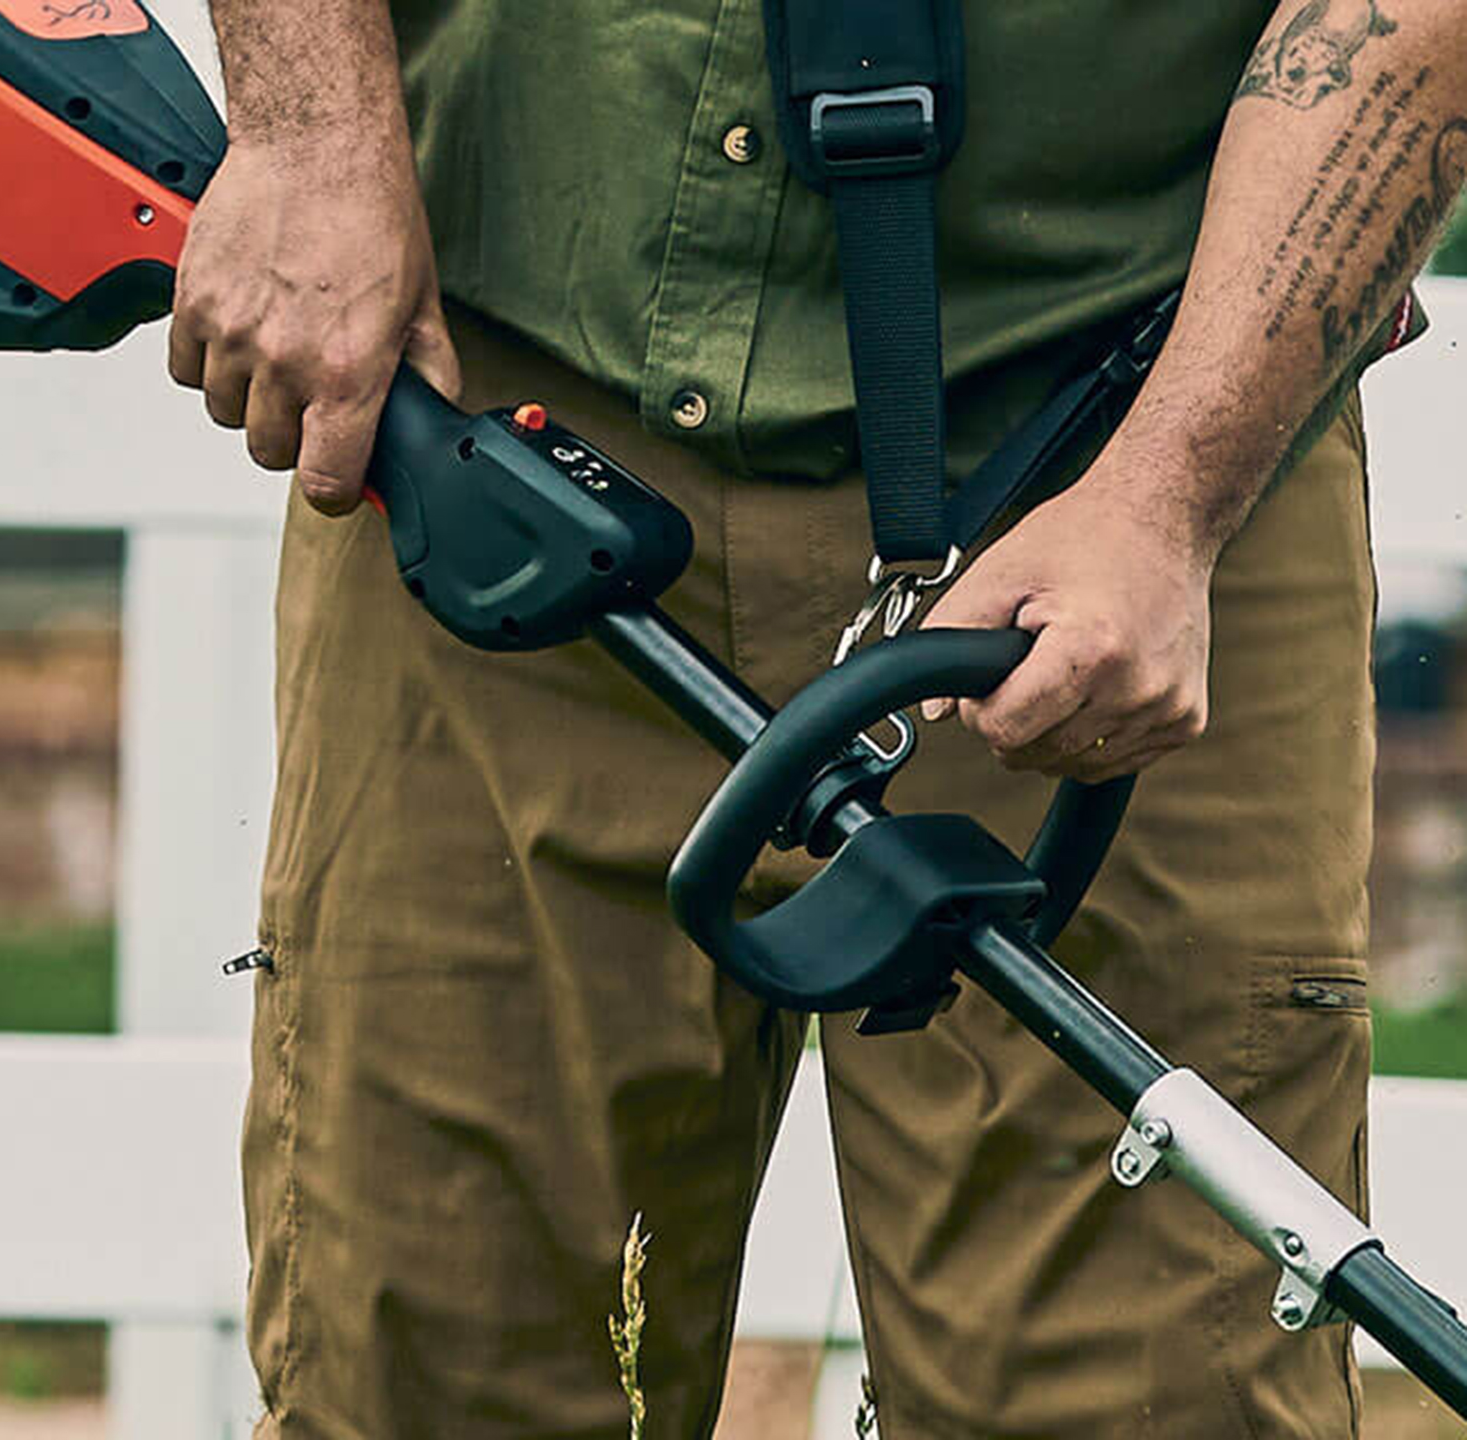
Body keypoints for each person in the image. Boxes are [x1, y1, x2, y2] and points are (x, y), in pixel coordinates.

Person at [170, 2, 1467, 1435]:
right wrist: (307, 131)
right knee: (428, 1383)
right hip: (496, 419)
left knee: (1135, 1400)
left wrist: (1173, 491)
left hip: (1121, 459)